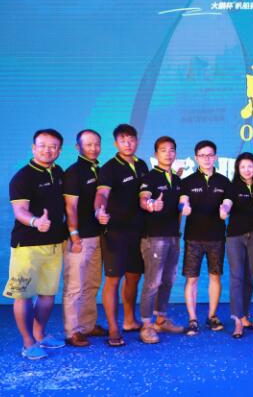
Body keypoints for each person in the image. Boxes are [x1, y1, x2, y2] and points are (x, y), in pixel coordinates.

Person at [5, 129, 68, 359]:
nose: (47, 150)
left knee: (47, 295)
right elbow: (20, 210)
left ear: (59, 150)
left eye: (53, 146)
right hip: (27, 247)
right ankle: (27, 342)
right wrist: (35, 221)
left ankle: (40, 334)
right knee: (23, 295)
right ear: (33, 148)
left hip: (54, 244)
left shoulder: (59, 172)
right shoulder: (22, 178)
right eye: (42, 145)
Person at [94, 124, 149, 347]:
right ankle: (113, 329)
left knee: (134, 276)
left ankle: (129, 320)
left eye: (131, 139)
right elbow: (102, 194)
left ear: (137, 141)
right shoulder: (109, 168)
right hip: (115, 232)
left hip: (139, 231)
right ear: (116, 143)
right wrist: (99, 210)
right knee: (113, 280)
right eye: (123, 140)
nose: (128, 144)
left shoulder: (142, 165)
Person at [178, 140, 231, 335]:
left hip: (216, 237)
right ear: (196, 158)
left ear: (215, 157)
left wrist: (225, 209)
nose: (206, 159)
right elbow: (182, 202)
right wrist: (184, 207)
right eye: (202, 155)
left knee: (214, 277)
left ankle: (212, 316)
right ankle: (192, 319)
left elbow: (228, 202)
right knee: (192, 279)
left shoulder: (224, 181)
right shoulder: (188, 181)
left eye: (210, 155)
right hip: (193, 238)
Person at [62, 129, 108, 347]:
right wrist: (74, 235)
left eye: (97, 144)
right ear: (78, 147)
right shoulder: (73, 173)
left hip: (97, 236)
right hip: (79, 238)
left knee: (92, 283)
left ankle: (88, 325)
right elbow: (70, 207)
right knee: (75, 286)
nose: (94, 148)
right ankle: (72, 331)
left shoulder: (99, 169)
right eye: (88, 144)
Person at [137, 136, 185, 344]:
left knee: (168, 281)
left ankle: (161, 320)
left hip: (173, 237)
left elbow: (181, 206)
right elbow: (143, 198)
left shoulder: (177, 180)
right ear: (156, 154)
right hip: (154, 238)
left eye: (171, 149)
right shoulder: (150, 177)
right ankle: (146, 326)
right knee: (152, 282)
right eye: (163, 150)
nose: (168, 153)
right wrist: (150, 204)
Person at [224, 152, 253, 338]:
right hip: (235, 237)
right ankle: (237, 321)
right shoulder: (232, 187)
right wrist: (224, 209)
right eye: (242, 167)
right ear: (237, 169)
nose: (247, 170)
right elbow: (227, 204)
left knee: (249, 277)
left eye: (250, 166)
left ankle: (244, 315)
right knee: (237, 278)